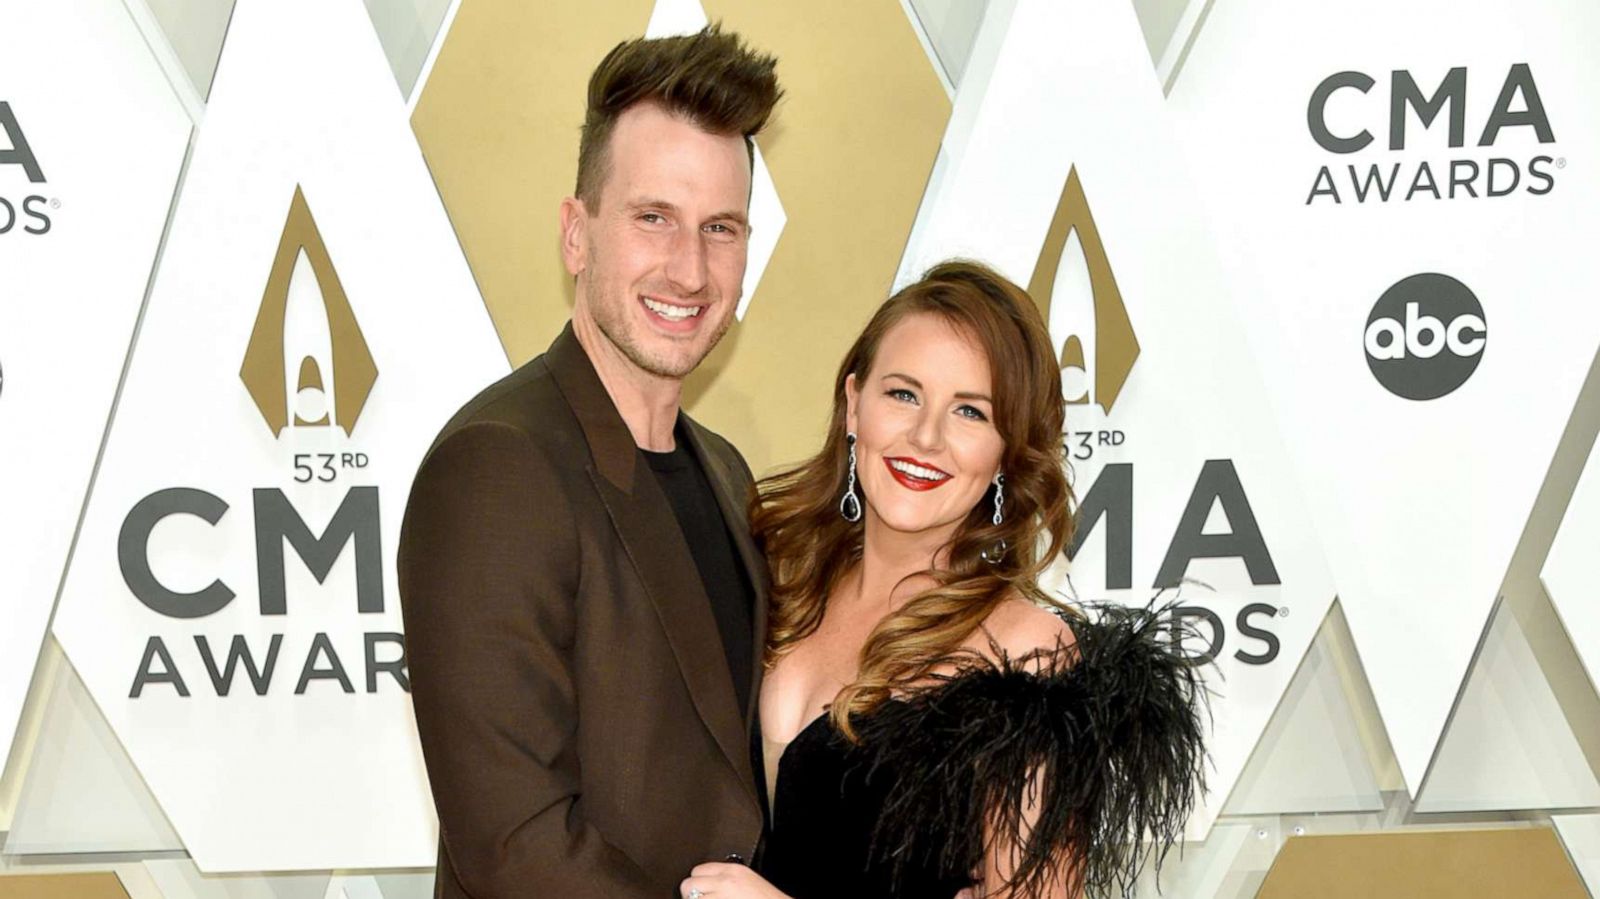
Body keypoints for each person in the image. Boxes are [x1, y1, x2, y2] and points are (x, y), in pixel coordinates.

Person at [678, 262, 1207, 899]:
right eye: (903, 394)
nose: (926, 437)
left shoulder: (1028, 657)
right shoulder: (772, 579)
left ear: (1008, 450)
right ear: (853, 405)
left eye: (970, 412)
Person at [398, 26, 781, 899]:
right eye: (654, 218)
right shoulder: (497, 466)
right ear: (578, 233)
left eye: (719, 228)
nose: (689, 269)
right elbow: (515, 843)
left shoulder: (724, 472)